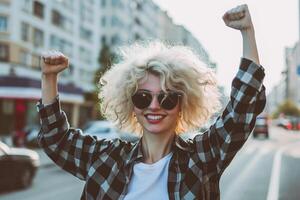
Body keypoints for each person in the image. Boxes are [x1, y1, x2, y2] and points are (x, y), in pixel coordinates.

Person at [37, 4, 266, 200]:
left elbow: (241, 109)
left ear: (182, 105)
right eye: (143, 97)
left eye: (167, 98)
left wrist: (248, 32)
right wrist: (49, 77)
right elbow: (56, 140)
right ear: (131, 104)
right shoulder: (106, 158)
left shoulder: (200, 158)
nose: (154, 106)